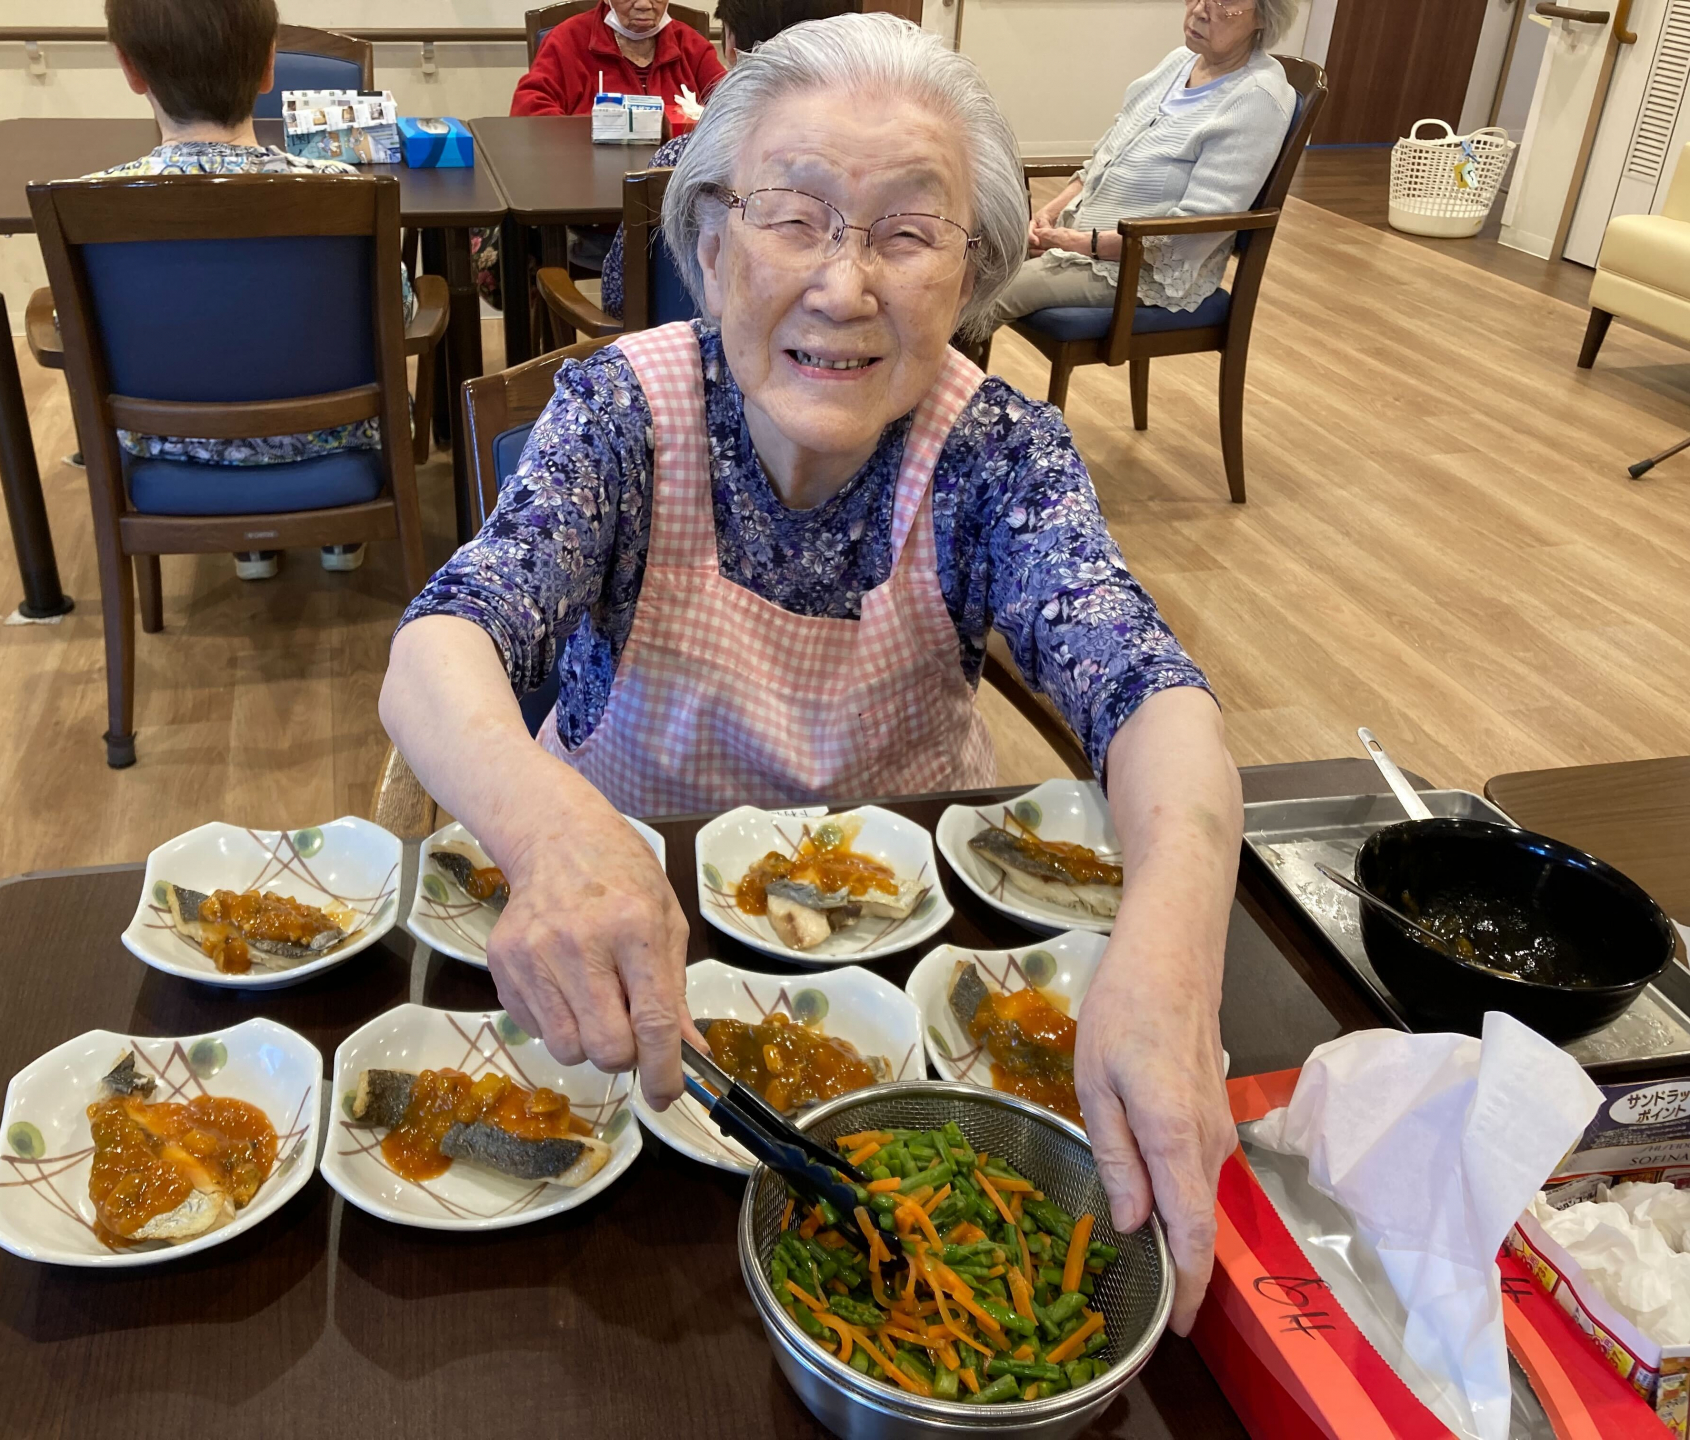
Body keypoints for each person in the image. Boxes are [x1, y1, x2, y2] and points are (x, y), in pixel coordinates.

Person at [382, 13, 1244, 1333]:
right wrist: (552, 832)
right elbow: (442, 643)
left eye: (907, 233)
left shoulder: (997, 453)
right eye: (795, 217)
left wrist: (1174, 963)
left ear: (972, 274)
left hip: (904, 973)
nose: (845, 288)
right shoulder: (622, 415)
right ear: (711, 243)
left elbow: (1151, 693)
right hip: (622, 958)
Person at [90, 0, 417, 582]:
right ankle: (338, 530)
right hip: (333, 446)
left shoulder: (94, 202)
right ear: (270, 67)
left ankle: (249, 546)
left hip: (173, 452)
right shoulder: (343, 189)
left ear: (129, 68)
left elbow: (78, 333)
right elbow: (401, 310)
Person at [991, 0, 1301, 324]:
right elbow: (1103, 157)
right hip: (1078, 241)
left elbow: (1192, 232)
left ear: (1264, 16)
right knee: (969, 258)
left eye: (1223, 2)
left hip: (1140, 271)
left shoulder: (1257, 99)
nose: (1199, 10)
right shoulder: (1179, 62)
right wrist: (1049, 215)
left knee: (983, 295)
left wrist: (1082, 244)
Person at [597, 0, 851, 320]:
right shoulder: (878, 165)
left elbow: (618, 294)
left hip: (698, 339)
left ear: (732, 46)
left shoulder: (681, 159)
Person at [512, 0, 728, 117]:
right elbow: (529, 109)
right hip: (588, 171)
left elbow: (733, 107)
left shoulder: (692, 45)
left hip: (675, 177)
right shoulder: (568, 39)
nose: (644, 4)